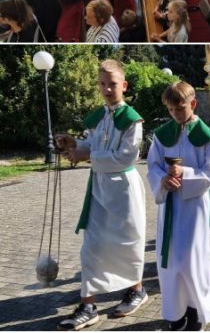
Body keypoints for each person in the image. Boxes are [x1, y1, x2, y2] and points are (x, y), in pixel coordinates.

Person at [54, 60, 149, 330]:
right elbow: (91, 144)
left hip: (123, 188)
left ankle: (136, 290)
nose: (107, 89)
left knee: (127, 242)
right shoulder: (99, 116)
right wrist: (73, 144)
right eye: (103, 84)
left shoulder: (132, 119)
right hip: (99, 187)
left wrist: (88, 155)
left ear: (124, 85)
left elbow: (126, 156)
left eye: (113, 84)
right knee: (92, 247)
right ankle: (88, 306)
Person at [147, 81, 210, 331]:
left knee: (191, 261)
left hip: (194, 209)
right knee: (170, 262)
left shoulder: (206, 136)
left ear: (193, 104)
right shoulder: (161, 135)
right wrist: (163, 180)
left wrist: (185, 174)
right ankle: (175, 313)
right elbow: (153, 166)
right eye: (170, 109)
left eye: (179, 108)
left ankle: (195, 312)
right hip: (169, 206)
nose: (175, 114)